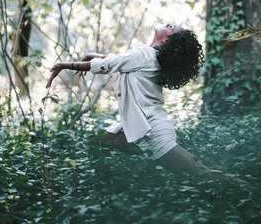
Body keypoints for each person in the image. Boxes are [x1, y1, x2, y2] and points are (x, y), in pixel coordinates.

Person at [45, 24, 231, 180]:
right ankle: (103, 189)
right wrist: (90, 54)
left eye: (171, 28)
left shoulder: (143, 55)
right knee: (98, 144)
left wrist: (63, 65)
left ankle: (251, 191)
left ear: (166, 40)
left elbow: (109, 64)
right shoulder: (150, 57)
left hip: (154, 133)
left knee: (200, 172)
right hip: (142, 128)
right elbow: (118, 61)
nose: (167, 24)